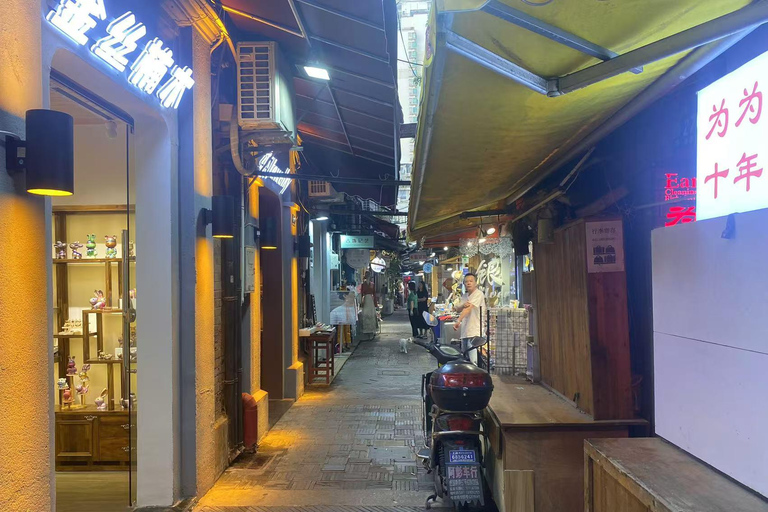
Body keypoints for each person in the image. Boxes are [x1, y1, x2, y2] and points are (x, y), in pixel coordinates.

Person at [453, 273, 486, 364]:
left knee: (473, 360)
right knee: (465, 357)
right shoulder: (465, 296)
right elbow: (458, 309)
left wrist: (458, 320)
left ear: (475, 283)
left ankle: (475, 376)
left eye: (471, 281)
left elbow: (468, 308)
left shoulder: (478, 294)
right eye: (466, 281)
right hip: (465, 331)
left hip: (475, 331)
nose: (468, 283)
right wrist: (462, 305)